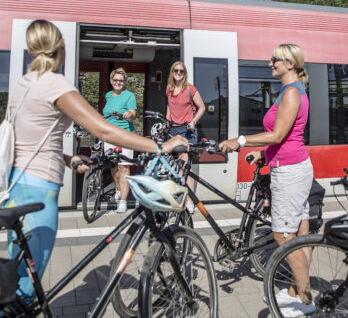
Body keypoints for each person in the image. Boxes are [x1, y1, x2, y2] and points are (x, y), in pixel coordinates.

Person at [5, 20, 188, 300]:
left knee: (17, 280)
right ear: (61, 47)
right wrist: (159, 147)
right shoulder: (55, 84)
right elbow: (102, 129)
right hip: (40, 195)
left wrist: (66, 158)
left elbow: (26, 138)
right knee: (24, 293)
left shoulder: (22, 84)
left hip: (17, 188)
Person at [219, 44, 314, 318]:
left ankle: (305, 300)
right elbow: (287, 135)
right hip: (291, 164)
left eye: (276, 59)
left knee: (283, 235)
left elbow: (278, 134)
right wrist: (262, 153)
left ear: (291, 64)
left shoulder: (293, 92)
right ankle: (297, 291)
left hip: (290, 170)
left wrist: (240, 141)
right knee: (299, 231)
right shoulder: (288, 90)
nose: (270, 62)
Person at [165, 61, 205, 199]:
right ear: (172, 72)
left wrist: (193, 121)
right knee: (173, 164)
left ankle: (189, 200)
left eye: (181, 71)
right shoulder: (169, 88)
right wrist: (166, 121)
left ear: (185, 73)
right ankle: (179, 194)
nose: (178, 73)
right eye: (176, 70)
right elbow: (169, 106)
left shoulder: (190, 89)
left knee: (185, 163)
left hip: (186, 130)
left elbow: (202, 107)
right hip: (173, 130)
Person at [103, 67, 137, 213]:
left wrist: (128, 114)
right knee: (114, 167)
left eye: (121, 80)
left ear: (124, 82)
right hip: (109, 135)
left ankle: (123, 200)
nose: (118, 82)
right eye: (115, 80)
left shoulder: (130, 96)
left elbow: (133, 114)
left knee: (124, 167)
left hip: (125, 136)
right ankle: (118, 189)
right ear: (111, 81)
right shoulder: (108, 96)